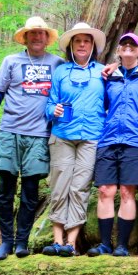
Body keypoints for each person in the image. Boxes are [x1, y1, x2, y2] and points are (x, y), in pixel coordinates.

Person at [0, 16, 64, 260]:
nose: (37, 37)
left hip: (38, 135)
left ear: (47, 38)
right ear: (25, 37)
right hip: (10, 132)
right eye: (32, 33)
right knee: (5, 189)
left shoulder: (57, 63)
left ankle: (22, 242)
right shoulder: (11, 62)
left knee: (30, 191)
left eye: (41, 33)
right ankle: (6, 242)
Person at [87, 33, 138, 257]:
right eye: (124, 45)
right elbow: (103, 104)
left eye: (133, 45)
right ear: (118, 51)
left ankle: (121, 245)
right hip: (109, 139)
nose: (128, 48)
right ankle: (104, 244)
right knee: (105, 190)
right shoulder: (109, 77)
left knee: (128, 192)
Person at [42, 22, 107, 257]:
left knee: (80, 188)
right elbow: (49, 103)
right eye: (78, 41)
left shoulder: (102, 72)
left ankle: (71, 243)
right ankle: (57, 240)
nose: (82, 44)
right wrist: (54, 110)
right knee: (60, 186)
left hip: (91, 136)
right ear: (71, 46)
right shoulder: (61, 72)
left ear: (92, 46)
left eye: (86, 41)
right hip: (62, 136)